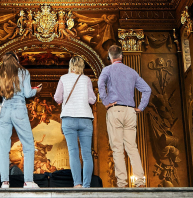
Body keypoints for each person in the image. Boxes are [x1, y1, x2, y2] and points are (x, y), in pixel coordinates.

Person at [98, 44, 151, 188]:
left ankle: (122, 184)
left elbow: (100, 84)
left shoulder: (107, 70)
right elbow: (147, 89)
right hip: (130, 112)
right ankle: (140, 182)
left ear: (110, 57)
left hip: (115, 110)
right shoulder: (132, 72)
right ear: (121, 56)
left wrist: (106, 101)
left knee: (117, 148)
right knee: (132, 147)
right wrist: (140, 108)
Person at [0, 52, 41, 188]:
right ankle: (28, 181)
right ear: (16, 60)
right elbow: (27, 93)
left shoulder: (1, 73)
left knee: (3, 148)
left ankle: (5, 182)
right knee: (28, 145)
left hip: (4, 108)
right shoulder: (24, 72)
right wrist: (36, 90)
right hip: (19, 108)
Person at [54, 55, 96, 188]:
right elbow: (92, 100)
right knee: (87, 154)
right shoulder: (86, 79)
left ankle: (77, 184)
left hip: (68, 119)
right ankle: (86, 185)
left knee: (73, 152)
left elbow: (57, 98)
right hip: (85, 119)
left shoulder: (63, 78)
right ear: (82, 66)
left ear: (70, 66)